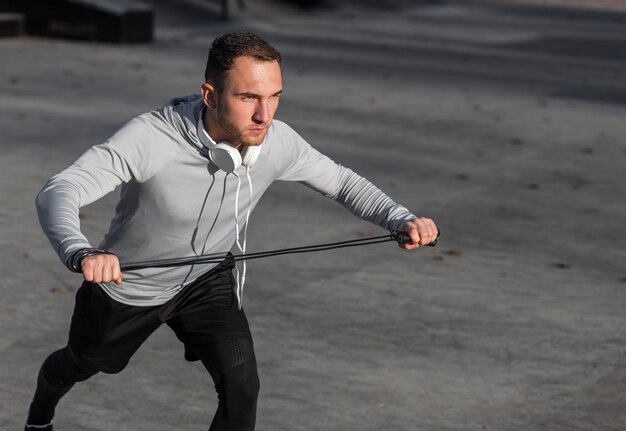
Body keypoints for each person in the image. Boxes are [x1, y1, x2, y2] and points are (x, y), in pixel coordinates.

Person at [26, 32, 438, 431]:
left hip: (208, 281)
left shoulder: (277, 142)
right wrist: (80, 251)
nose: (265, 115)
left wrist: (399, 218)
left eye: (274, 96)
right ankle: (42, 407)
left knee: (242, 390)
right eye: (248, 98)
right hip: (129, 287)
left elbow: (344, 182)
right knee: (83, 363)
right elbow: (62, 189)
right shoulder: (152, 137)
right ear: (210, 95)